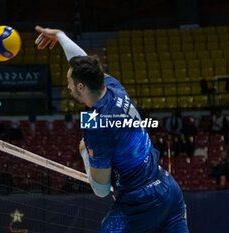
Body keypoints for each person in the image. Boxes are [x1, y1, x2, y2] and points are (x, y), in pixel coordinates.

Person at [35, 26, 188, 232]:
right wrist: (60, 36)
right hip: (169, 191)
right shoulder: (114, 87)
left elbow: (101, 189)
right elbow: (86, 63)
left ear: (81, 87)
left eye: (69, 81)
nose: (68, 86)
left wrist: (84, 153)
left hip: (140, 204)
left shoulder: (97, 125)